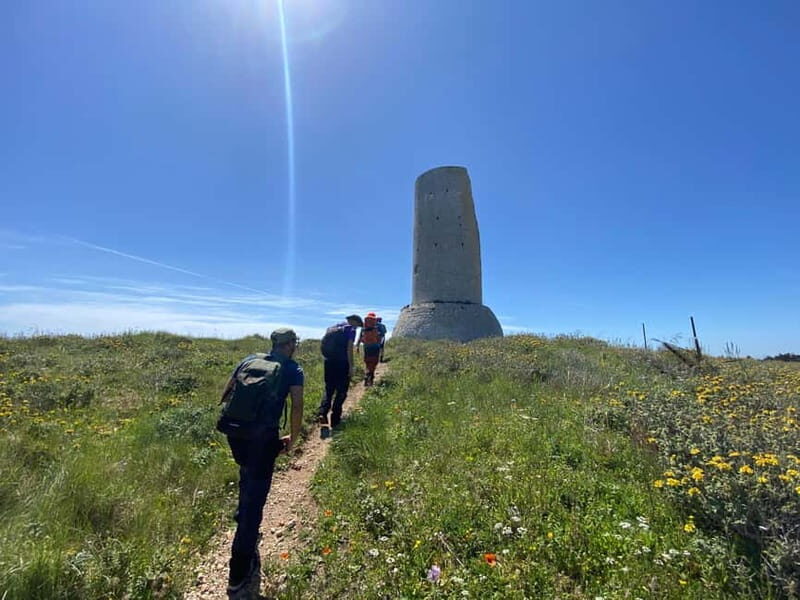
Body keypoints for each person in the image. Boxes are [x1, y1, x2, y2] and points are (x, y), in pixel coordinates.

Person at [220, 328, 304, 598]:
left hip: (235, 432)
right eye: (295, 343)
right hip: (262, 438)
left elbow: (226, 392)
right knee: (255, 500)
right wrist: (293, 437)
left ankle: (241, 514)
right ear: (290, 345)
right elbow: (298, 405)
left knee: (246, 472)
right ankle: (239, 571)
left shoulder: (249, 359)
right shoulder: (292, 369)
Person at [317, 314, 362, 427]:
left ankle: (322, 412)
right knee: (341, 391)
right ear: (354, 321)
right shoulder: (350, 330)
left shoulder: (333, 328)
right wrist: (351, 366)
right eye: (357, 325)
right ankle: (335, 419)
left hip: (329, 362)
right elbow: (349, 349)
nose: (357, 328)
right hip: (342, 363)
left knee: (329, 389)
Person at [356, 312, 382, 386]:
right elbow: (381, 336)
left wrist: (357, 346)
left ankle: (367, 374)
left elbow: (360, 336)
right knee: (374, 362)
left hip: (366, 346)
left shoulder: (364, 326)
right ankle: (370, 376)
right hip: (376, 346)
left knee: (367, 362)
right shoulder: (378, 325)